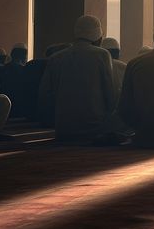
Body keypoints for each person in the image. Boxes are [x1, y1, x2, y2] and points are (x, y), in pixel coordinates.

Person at [38, 16, 120, 144]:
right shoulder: (102, 55)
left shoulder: (56, 58)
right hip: (95, 130)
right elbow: (110, 93)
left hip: (64, 130)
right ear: (98, 36)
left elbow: (45, 94)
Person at [0, 43, 29, 119]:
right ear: (24, 56)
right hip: (20, 105)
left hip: (5, 103)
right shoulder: (25, 70)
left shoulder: (3, 69)